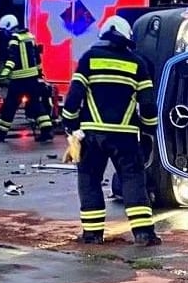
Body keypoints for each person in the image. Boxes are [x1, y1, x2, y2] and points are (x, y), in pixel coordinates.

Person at [61, 16, 161, 247]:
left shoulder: (89, 59)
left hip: (91, 135)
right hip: (125, 136)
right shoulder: (138, 64)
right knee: (133, 181)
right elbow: (147, 104)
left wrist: (71, 126)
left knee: (89, 181)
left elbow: (74, 97)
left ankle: (92, 235)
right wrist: (148, 130)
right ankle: (144, 234)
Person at [0, 14, 53, 143]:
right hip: (32, 79)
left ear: (8, 27)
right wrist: (39, 73)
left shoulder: (14, 40)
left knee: (9, 106)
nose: (4, 34)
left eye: (4, 30)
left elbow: (12, 60)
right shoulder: (30, 37)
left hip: (18, 81)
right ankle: (47, 131)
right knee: (36, 104)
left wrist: (3, 75)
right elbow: (37, 58)